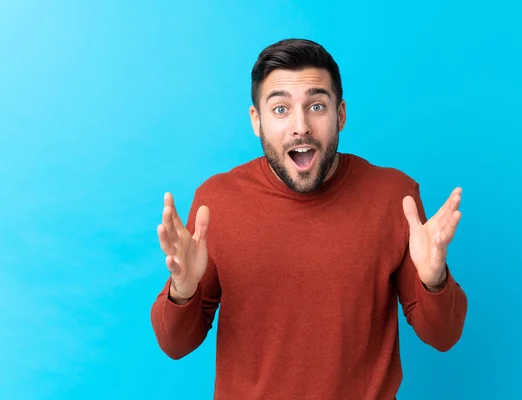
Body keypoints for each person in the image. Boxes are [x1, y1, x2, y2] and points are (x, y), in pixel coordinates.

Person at [150, 38, 468, 400]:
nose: (300, 126)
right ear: (257, 121)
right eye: (281, 109)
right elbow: (174, 345)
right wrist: (183, 290)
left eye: (316, 106)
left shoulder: (395, 197)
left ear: (341, 115)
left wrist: (434, 281)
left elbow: (444, 337)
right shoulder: (216, 202)